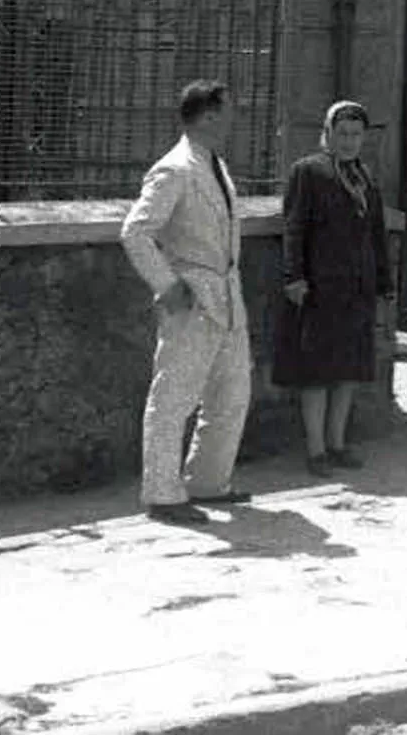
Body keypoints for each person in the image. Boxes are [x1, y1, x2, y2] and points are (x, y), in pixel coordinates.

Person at [121, 80, 253, 525]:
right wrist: (167, 283)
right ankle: (162, 493)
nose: (235, 118)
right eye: (229, 110)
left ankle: (208, 481)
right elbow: (136, 232)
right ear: (210, 115)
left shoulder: (213, 163)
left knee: (232, 394)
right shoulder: (175, 168)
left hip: (227, 298)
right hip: (192, 299)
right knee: (174, 395)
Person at [276, 101, 395, 477]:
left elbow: (376, 234)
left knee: (347, 371)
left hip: (356, 290)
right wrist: (294, 276)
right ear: (327, 134)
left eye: (356, 134)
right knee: (316, 371)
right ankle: (315, 451)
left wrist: (384, 281)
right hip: (320, 288)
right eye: (341, 133)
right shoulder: (307, 172)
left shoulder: (365, 177)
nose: (348, 141)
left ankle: (337, 443)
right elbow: (294, 228)